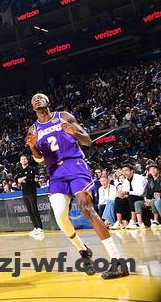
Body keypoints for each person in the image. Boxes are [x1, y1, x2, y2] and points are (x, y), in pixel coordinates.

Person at [25, 93, 128, 279]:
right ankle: (83, 250)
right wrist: (33, 147)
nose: (37, 99)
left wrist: (75, 133)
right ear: (33, 108)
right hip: (55, 173)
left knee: (85, 206)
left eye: (40, 97)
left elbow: (87, 140)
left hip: (74, 165)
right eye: (34, 100)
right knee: (60, 215)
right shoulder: (33, 129)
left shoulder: (63, 116)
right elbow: (40, 160)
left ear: (48, 101)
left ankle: (118, 260)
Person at [15, 154, 43, 236]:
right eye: (22, 159)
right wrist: (22, 179)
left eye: (25, 159)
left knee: (34, 209)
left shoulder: (31, 168)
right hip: (24, 192)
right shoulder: (19, 170)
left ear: (27, 160)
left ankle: (40, 227)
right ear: (20, 161)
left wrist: (22, 179)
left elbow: (29, 178)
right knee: (29, 210)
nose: (23, 160)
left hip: (31, 191)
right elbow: (17, 179)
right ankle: (35, 227)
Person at [119, 163, 148, 229]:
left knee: (131, 197)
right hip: (131, 198)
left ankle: (133, 220)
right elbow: (125, 192)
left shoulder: (139, 178)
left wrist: (127, 193)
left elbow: (140, 193)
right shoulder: (125, 181)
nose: (124, 173)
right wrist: (122, 195)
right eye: (123, 171)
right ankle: (119, 222)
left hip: (143, 198)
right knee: (119, 199)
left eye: (126, 170)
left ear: (132, 171)